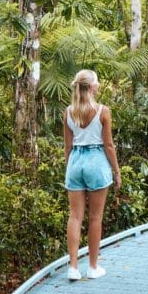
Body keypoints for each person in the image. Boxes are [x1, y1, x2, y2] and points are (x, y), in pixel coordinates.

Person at [62, 69, 121, 280]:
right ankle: (93, 267)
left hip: (76, 162)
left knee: (75, 217)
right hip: (96, 162)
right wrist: (116, 171)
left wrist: (71, 169)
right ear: (92, 87)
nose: (98, 85)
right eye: (97, 82)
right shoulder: (103, 111)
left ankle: (73, 268)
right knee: (95, 217)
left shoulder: (69, 112)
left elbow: (67, 146)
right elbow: (109, 144)